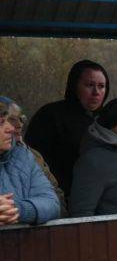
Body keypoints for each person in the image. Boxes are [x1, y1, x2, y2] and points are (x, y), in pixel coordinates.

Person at [24, 59, 110, 197]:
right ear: (74, 85)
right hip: (61, 197)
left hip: (106, 198)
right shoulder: (50, 116)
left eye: (101, 86)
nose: (96, 92)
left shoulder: (109, 119)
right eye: (89, 85)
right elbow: (34, 162)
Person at [0, 96, 67, 215]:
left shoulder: (24, 155)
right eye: (2, 122)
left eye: (21, 119)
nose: (12, 127)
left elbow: (53, 202)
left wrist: (17, 210)